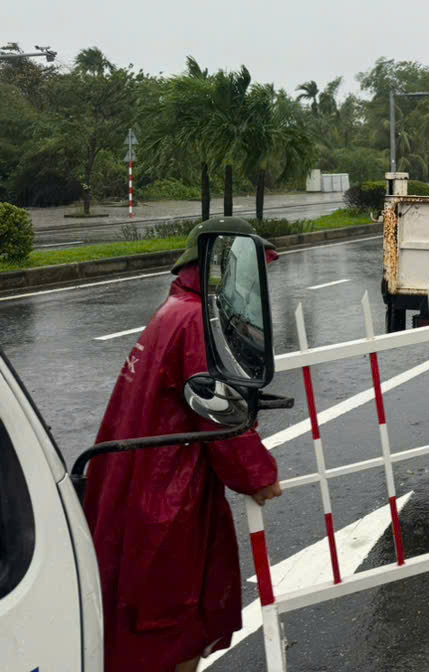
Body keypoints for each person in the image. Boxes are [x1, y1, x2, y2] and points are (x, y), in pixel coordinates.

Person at [83, 217, 283, 672]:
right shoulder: (195, 321)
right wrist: (259, 475)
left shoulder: (175, 310)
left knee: (141, 612)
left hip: (136, 478)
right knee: (170, 619)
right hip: (167, 490)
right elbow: (216, 412)